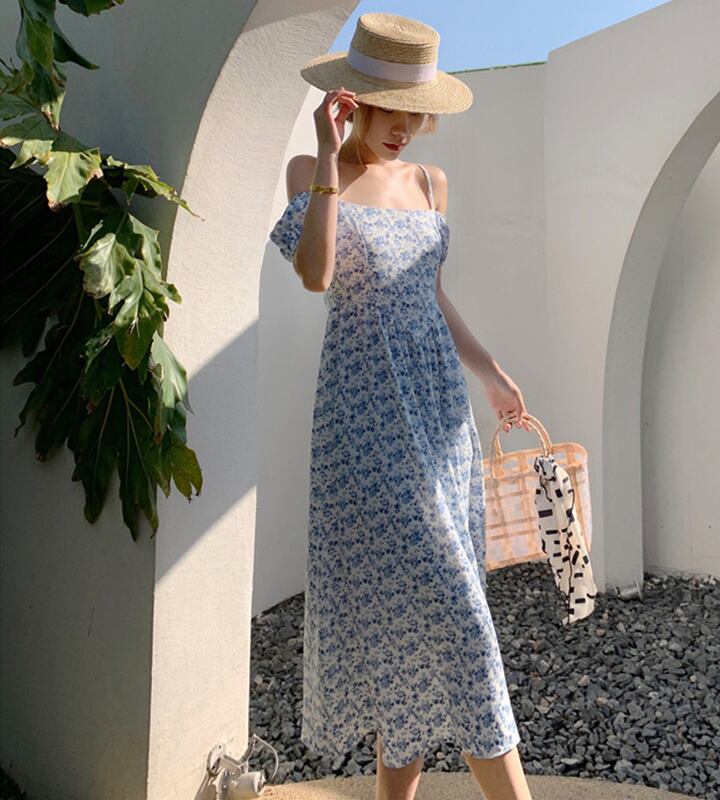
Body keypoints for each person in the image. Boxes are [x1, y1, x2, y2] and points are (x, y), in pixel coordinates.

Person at [270, 12, 536, 800]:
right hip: (363, 417)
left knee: (412, 625)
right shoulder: (309, 170)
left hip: (440, 414)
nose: (405, 129)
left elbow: (431, 297)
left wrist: (491, 373)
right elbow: (316, 275)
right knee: (459, 619)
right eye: (391, 110)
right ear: (353, 101)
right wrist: (327, 156)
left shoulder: (430, 183)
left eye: (416, 113)